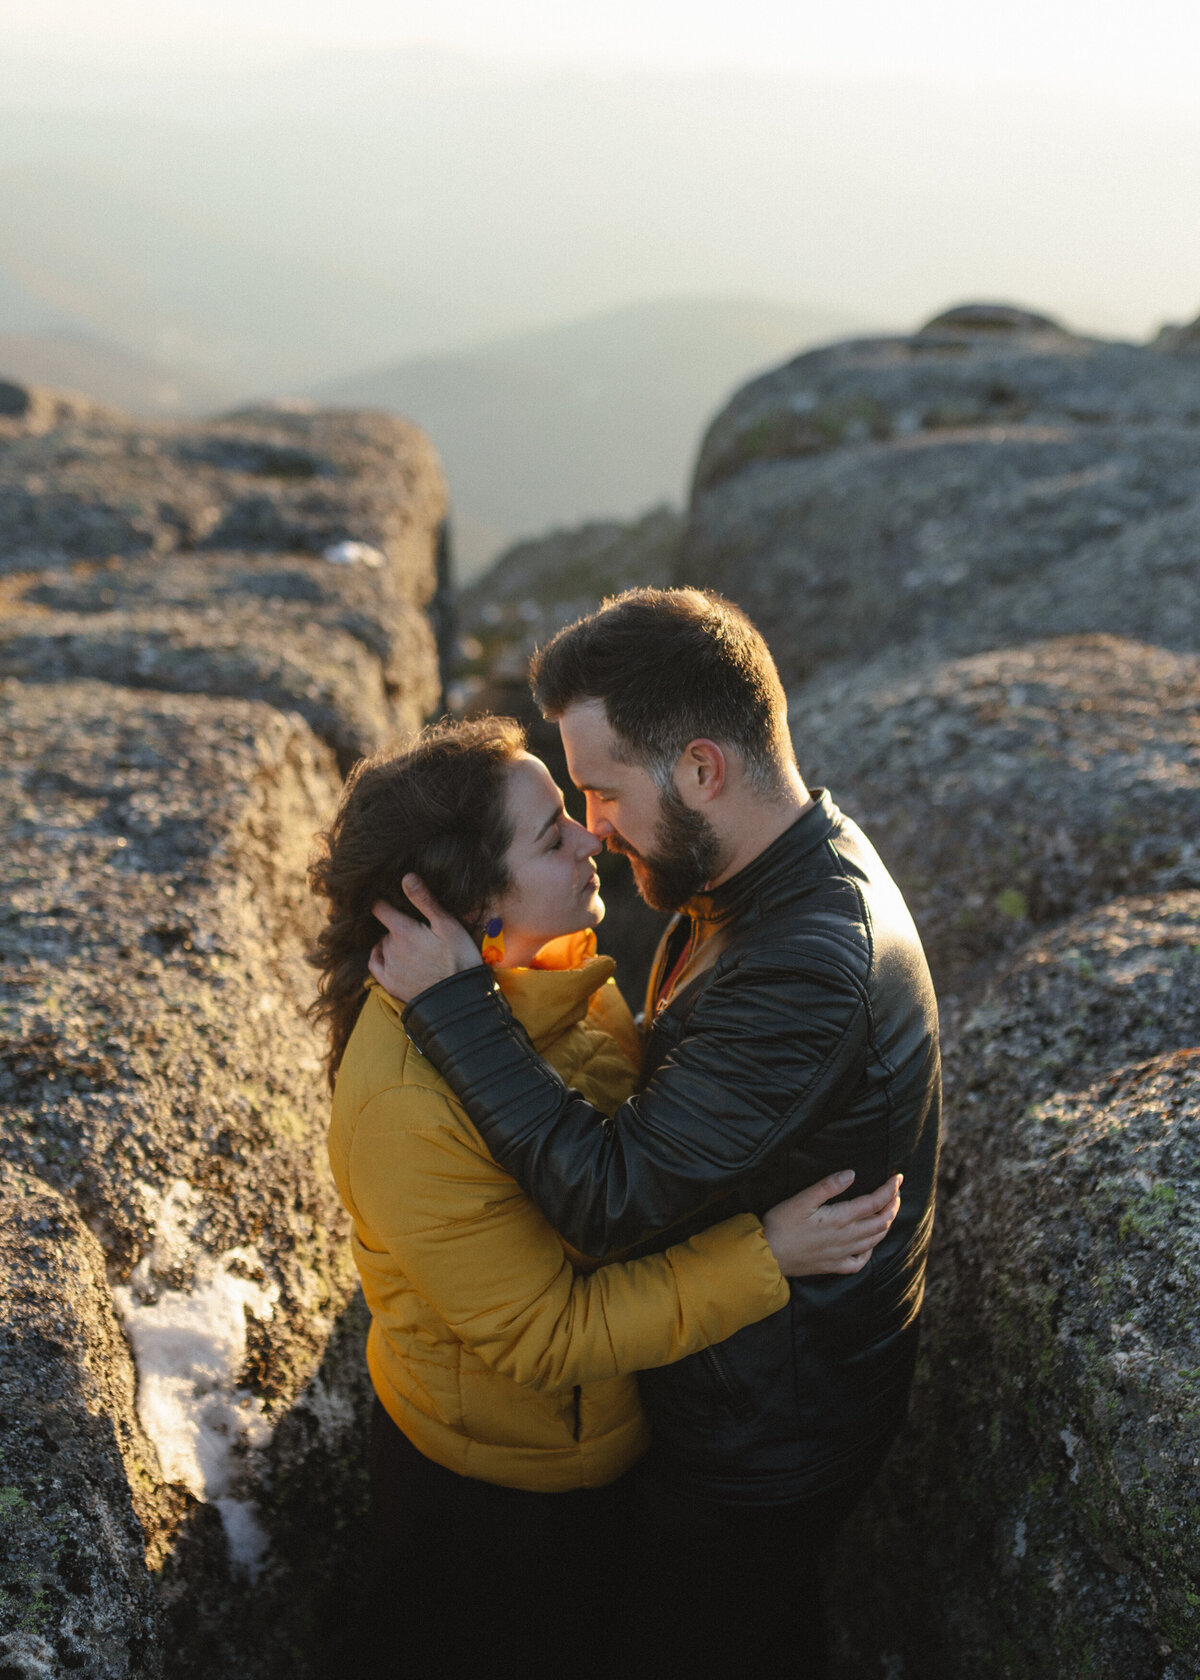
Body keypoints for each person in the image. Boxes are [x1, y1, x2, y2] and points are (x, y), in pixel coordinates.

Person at [368, 588, 942, 1679]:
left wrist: (453, 1012)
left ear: (702, 771)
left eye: (602, 790)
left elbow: (609, 1196)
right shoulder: (768, 870)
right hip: (758, 1384)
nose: (591, 827)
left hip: (763, 1438)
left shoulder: (805, 966)